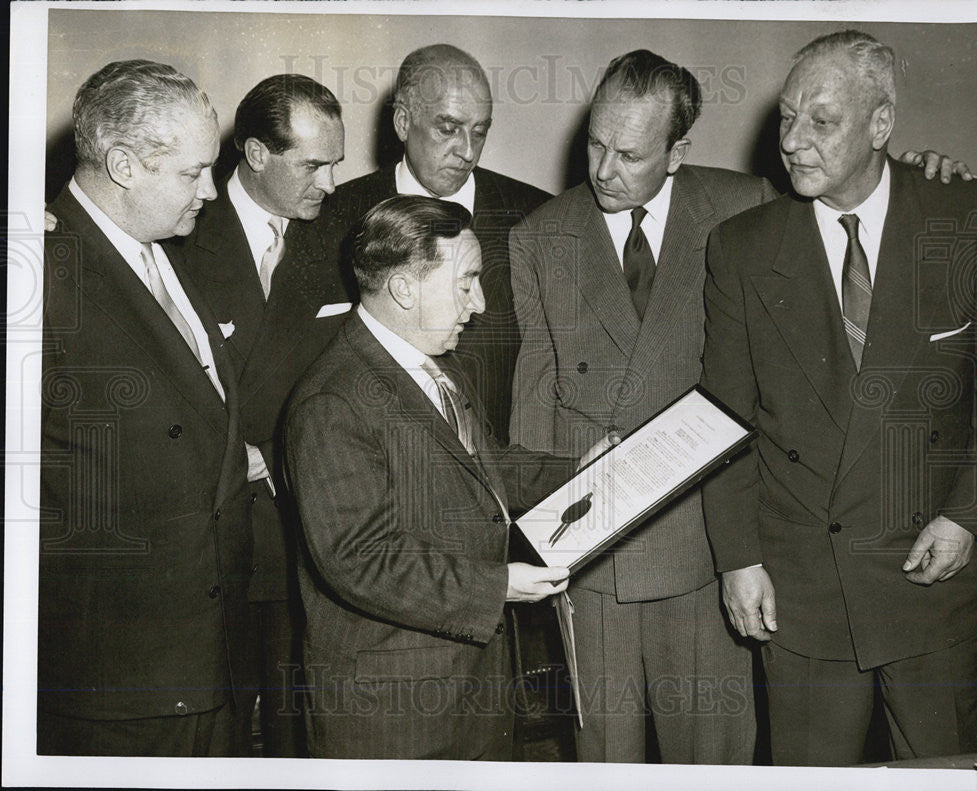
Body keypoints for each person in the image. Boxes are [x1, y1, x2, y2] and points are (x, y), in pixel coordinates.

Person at [700, 30, 977, 766]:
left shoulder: (967, 219)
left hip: (933, 572)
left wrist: (967, 513)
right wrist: (738, 558)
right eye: (787, 117)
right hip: (801, 587)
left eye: (820, 122)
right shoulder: (741, 247)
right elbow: (724, 420)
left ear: (881, 124)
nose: (793, 141)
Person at [509, 49, 775, 764]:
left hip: (706, 536)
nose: (602, 169)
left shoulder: (742, 206)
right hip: (598, 547)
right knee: (605, 757)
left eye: (629, 153)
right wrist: (556, 514)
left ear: (679, 151)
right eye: (595, 143)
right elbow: (533, 405)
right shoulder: (539, 237)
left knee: (712, 755)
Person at [284, 195, 612, 760]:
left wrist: (579, 467)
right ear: (405, 290)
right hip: (394, 711)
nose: (480, 304)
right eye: (466, 283)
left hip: (468, 686)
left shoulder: (433, 363)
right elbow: (359, 557)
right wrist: (498, 586)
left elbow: (485, 466)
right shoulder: (331, 401)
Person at [39, 60, 254, 756]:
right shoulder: (37, 269)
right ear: (125, 165)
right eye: (195, 173)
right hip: (114, 680)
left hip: (206, 659)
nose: (213, 191)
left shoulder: (162, 251)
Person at [171, 73, 350, 757]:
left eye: (336, 162)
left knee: (292, 724)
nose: (331, 183)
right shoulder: (178, 231)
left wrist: (280, 454)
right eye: (313, 165)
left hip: (297, 526)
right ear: (253, 155)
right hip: (202, 528)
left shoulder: (339, 237)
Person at [329, 43, 549, 446]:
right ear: (402, 122)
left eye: (479, 131)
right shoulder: (333, 217)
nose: (467, 151)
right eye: (448, 129)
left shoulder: (536, 216)